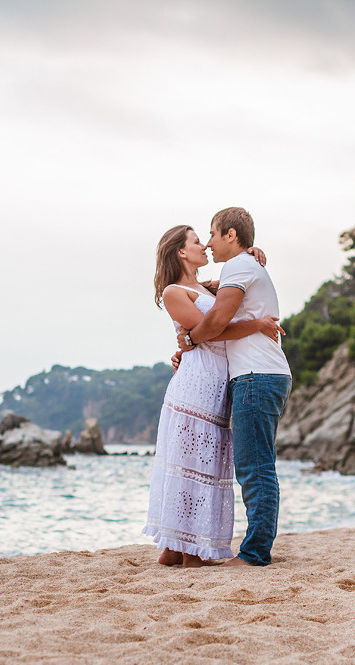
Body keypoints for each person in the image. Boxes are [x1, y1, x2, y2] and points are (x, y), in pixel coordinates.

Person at [142, 225, 284, 568]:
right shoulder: (174, 291)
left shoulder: (207, 286)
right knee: (191, 463)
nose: (204, 245)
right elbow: (212, 331)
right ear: (180, 252)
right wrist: (257, 325)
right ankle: (186, 549)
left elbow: (241, 281)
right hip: (196, 385)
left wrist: (252, 251)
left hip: (219, 382)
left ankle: (176, 550)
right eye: (196, 241)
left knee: (206, 463)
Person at [177, 207, 292, 567]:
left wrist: (190, 340)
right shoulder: (245, 264)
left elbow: (217, 320)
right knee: (255, 466)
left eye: (212, 234)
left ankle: (255, 553)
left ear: (230, 234)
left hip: (258, 376)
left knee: (255, 468)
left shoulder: (240, 265)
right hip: (257, 375)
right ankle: (254, 548)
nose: (209, 243)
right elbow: (211, 295)